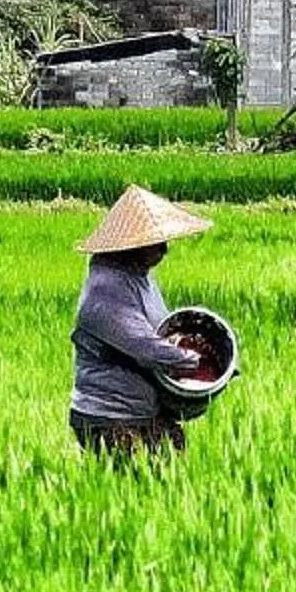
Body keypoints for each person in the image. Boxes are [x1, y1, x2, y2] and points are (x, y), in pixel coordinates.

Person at [70, 185, 212, 455]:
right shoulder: (106, 289)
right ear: (131, 246)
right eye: (156, 243)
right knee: (126, 483)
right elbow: (146, 347)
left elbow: (162, 328)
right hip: (110, 416)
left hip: (146, 408)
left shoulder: (140, 276)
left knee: (170, 470)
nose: (165, 250)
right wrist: (198, 361)